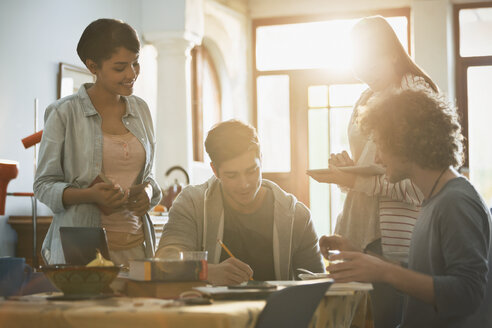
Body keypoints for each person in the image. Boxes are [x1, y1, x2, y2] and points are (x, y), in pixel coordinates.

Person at [307, 16, 438, 327]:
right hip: (359, 226)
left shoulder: (414, 93)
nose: (363, 71)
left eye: (370, 61)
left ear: (392, 53)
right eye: (357, 62)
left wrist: (353, 178)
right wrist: (347, 170)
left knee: (384, 318)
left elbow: (415, 183)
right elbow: (373, 169)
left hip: (392, 235)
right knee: (354, 319)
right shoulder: (366, 96)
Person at [325, 89, 492, 327]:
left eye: (380, 146)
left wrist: (385, 273)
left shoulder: (456, 202)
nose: (378, 159)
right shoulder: (434, 199)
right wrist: (364, 258)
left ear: (404, 144)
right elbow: (424, 275)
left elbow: (467, 294)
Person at [34, 19, 161, 266]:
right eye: (120, 67)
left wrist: (148, 191)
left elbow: (150, 178)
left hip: (137, 250)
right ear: (93, 66)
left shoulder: (141, 110)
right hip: (82, 253)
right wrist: (89, 195)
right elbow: (43, 186)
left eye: (136, 63)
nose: (132, 74)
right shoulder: (63, 113)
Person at [156, 120, 324, 285]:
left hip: (278, 311)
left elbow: (318, 287)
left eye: (251, 171)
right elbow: (162, 265)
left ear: (261, 159)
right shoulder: (192, 204)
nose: (244, 184)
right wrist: (208, 272)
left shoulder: (296, 216)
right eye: (232, 175)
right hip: (209, 312)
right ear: (215, 170)